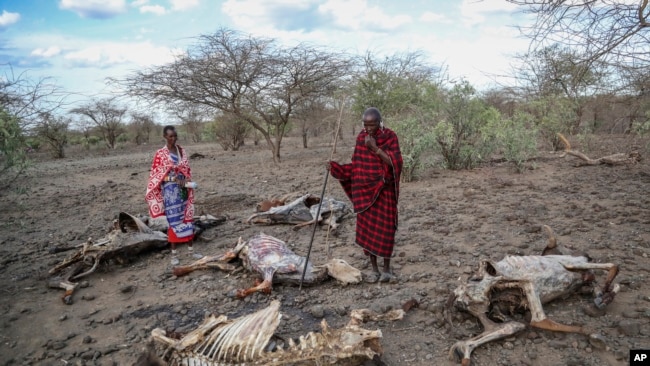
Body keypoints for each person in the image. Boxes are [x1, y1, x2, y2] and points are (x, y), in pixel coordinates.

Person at [327, 107, 403, 283]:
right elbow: (357, 166)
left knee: (386, 231)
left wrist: (375, 148)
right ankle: (374, 269)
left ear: (380, 122)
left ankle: (386, 270)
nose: (369, 128)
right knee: (369, 232)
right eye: (366, 124)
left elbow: (395, 163)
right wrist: (335, 168)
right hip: (365, 192)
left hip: (384, 190)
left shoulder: (390, 136)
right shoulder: (361, 137)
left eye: (373, 124)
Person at [145, 125, 202, 265]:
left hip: (184, 190)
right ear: (165, 137)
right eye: (170, 136)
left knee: (187, 218)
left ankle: (191, 251)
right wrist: (174, 179)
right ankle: (174, 255)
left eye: (175, 136)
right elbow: (157, 177)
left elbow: (186, 170)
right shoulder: (160, 154)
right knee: (174, 221)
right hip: (170, 193)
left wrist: (186, 180)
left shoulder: (181, 151)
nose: (173, 138)